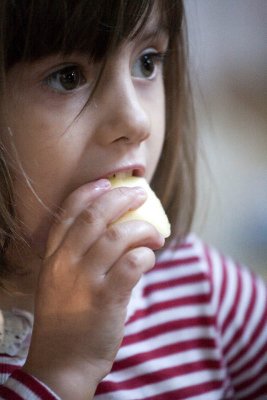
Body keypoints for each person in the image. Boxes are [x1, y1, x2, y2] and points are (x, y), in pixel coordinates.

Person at [0, 0, 266, 399]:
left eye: (146, 63)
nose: (136, 121)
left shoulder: (202, 286)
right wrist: (63, 371)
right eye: (68, 77)